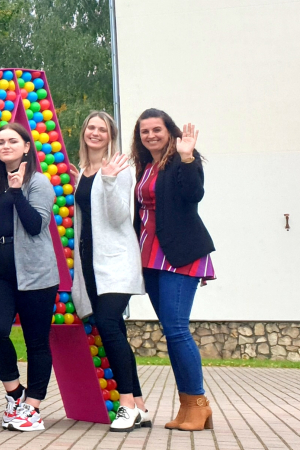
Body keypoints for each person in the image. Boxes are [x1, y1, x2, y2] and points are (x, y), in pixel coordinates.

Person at [133, 109, 215, 432]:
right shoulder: (144, 167)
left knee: (178, 329)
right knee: (171, 331)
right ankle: (186, 407)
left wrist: (188, 157)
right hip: (149, 254)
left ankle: (198, 404)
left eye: (157, 129)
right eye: (145, 132)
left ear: (170, 131)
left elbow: (193, 194)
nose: (151, 135)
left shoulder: (181, 161)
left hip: (178, 253)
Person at [71, 111, 149, 432]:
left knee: (106, 323)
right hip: (91, 265)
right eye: (91, 127)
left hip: (117, 261)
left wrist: (109, 178)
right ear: (84, 132)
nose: (96, 132)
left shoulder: (120, 168)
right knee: (116, 328)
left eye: (102, 129)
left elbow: (119, 217)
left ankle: (126, 404)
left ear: (110, 136)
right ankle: (141, 405)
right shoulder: (80, 173)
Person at [0, 121, 59, 433]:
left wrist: (16, 190)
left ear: (27, 146)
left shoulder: (38, 183)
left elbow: (35, 225)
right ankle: (15, 393)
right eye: (0, 142)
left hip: (36, 275)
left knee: (36, 341)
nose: (5, 146)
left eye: (12, 141)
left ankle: (33, 406)